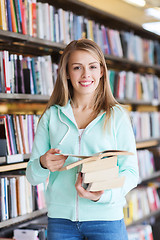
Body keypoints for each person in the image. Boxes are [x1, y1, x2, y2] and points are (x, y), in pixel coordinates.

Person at [26, 39, 139, 240]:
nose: (86, 74)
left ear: (102, 71)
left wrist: (104, 195)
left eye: (93, 67)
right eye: (77, 67)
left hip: (107, 220)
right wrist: (43, 163)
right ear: (67, 73)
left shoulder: (117, 116)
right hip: (61, 222)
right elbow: (32, 177)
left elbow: (131, 172)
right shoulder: (52, 116)